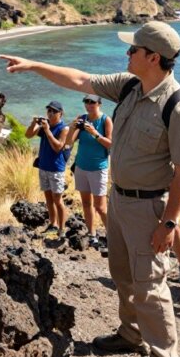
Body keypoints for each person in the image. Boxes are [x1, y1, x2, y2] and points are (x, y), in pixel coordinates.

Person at [0, 21, 180, 357]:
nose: (127, 53)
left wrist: (167, 225)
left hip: (149, 207)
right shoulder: (129, 86)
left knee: (150, 284)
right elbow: (79, 79)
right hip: (120, 199)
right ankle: (131, 334)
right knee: (122, 273)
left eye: (133, 50)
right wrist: (33, 65)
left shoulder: (179, 108)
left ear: (153, 57)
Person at [66, 93, 113, 249]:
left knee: (100, 207)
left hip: (98, 168)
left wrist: (94, 133)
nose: (89, 105)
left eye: (92, 102)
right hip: (81, 166)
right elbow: (69, 143)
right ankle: (92, 235)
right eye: (86, 102)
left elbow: (110, 144)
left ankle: (112, 236)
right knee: (86, 203)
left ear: (99, 104)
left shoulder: (105, 120)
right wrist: (72, 127)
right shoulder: (82, 118)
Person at [26, 100, 71, 240]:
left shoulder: (64, 128)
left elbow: (58, 147)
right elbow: (28, 135)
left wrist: (46, 130)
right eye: (49, 111)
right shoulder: (47, 125)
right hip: (43, 167)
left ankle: (62, 229)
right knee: (48, 199)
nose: (50, 114)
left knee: (58, 200)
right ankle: (53, 225)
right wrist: (34, 123)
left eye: (54, 111)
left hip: (56, 169)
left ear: (60, 113)